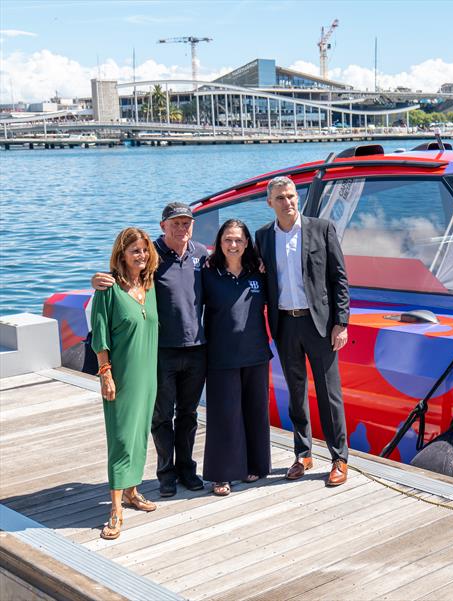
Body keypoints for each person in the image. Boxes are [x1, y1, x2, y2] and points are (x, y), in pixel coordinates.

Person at [93, 202, 207, 497]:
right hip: (161, 352)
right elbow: (125, 274)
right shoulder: (152, 255)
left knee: (188, 414)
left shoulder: (202, 255)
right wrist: (98, 280)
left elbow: (231, 265)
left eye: (186, 223)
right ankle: (165, 473)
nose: (182, 228)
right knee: (160, 416)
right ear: (163, 226)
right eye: (175, 223)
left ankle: (186, 468)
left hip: (196, 348)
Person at [255, 176, 350, 487]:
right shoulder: (263, 237)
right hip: (284, 323)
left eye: (292, 196)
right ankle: (303, 454)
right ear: (270, 203)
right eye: (281, 198)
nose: (288, 203)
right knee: (295, 393)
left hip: (319, 323)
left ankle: (339, 458)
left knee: (329, 393)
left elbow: (339, 279)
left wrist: (341, 322)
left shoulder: (322, 229)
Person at [91, 227, 159, 540]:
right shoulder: (108, 289)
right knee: (120, 437)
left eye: (144, 250)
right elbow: (100, 335)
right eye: (135, 251)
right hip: (121, 375)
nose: (141, 256)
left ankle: (133, 491)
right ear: (122, 255)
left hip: (148, 375)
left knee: (140, 433)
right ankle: (116, 508)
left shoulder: (149, 284)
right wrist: (105, 372)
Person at [202, 219, 272, 496]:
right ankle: (222, 474)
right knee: (224, 416)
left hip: (255, 354)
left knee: (255, 413)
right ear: (219, 243)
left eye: (239, 240)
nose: (233, 245)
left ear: (247, 244)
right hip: (221, 356)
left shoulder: (259, 274)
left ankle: (255, 466)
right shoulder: (208, 274)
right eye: (228, 240)